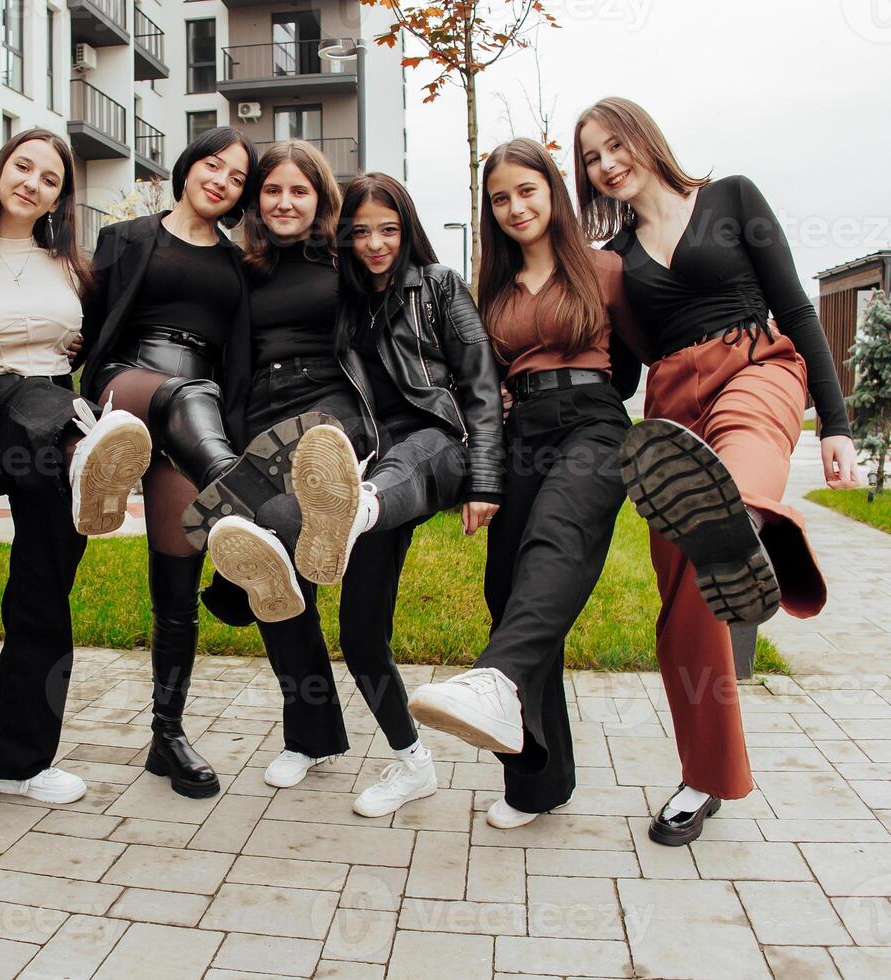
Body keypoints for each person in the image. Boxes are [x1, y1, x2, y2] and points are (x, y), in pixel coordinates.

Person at [574, 97, 860, 844]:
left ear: (643, 138)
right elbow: (621, 366)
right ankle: (705, 777)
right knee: (688, 603)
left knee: (736, 469)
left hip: (754, 363)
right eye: (592, 158)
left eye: (614, 144)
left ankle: (762, 527)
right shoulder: (615, 263)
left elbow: (797, 308)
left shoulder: (731, 197)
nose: (607, 163)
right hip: (670, 410)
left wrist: (836, 424)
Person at [203, 170, 506, 816]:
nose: (374, 243)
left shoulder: (439, 286)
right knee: (362, 635)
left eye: (388, 230)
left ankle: (347, 516)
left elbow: (479, 382)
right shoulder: (349, 298)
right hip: (370, 461)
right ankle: (413, 765)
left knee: (396, 467)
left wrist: (485, 476)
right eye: (361, 232)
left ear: (409, 229)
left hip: (435, 445)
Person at [407, 138, 648, 829]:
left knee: (555, 540)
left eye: (528, 191)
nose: (516, 207)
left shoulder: (605, 270)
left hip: (593, 425)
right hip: (520, 436)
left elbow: (631, 361)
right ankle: (538, 784)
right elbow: (479, 387)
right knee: (509, 592)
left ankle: (493, 682)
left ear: (553, 194)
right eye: (501, 198)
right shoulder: (494, 292)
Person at [0, 129, 151, 804]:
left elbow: (97, 346)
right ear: (1, 169)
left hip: (54, 421)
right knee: (35, 400)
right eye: (24, 166)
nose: (33, 182)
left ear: (60, 196)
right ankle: (90, 458)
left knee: (43, 590)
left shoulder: (74, 269)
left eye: (50, 178)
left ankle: (16, 762)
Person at [75, 126, 259, 798]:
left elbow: (238, 362)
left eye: (238, 178)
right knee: (182, 395)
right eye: (214, 165)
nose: (222, 181)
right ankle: (247, 509)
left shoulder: (238, 266)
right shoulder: (124, 239)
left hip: (196, 420)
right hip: (129, 385)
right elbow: (86, 327)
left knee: (176, 590)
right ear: (188, 166)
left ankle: (167, 736)